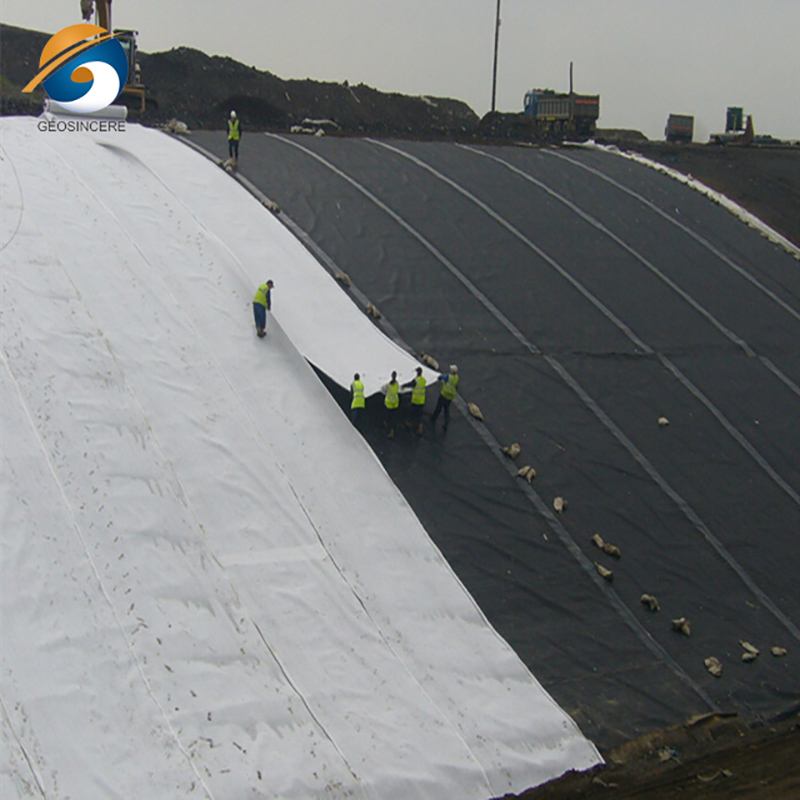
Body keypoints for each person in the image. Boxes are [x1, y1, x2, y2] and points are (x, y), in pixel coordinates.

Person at [431, 364, 459, 431]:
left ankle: (433, 418)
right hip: (449, 397)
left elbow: (442, 377)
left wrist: (438, 377)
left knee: (439, 407)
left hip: (444, 395)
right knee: (446, 410)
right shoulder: (456, 378)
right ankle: (446, 423)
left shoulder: (449, 377)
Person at [402, 366, 427, 435]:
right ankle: (420, 427)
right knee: (419, 415)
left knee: (412, 413)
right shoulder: (423, 380)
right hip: (422, 401)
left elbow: (410, 384)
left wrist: (404, 386)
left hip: (416, 400)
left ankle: (410, 423)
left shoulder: (416, 380)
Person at [383, 370, 400, 438]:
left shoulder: (388, 385)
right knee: (393, 417)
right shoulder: (397, 384)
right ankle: (391, 429)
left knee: (389, 417)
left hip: (389, 403)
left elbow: (384, 389)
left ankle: (390, 430)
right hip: (395, 403)